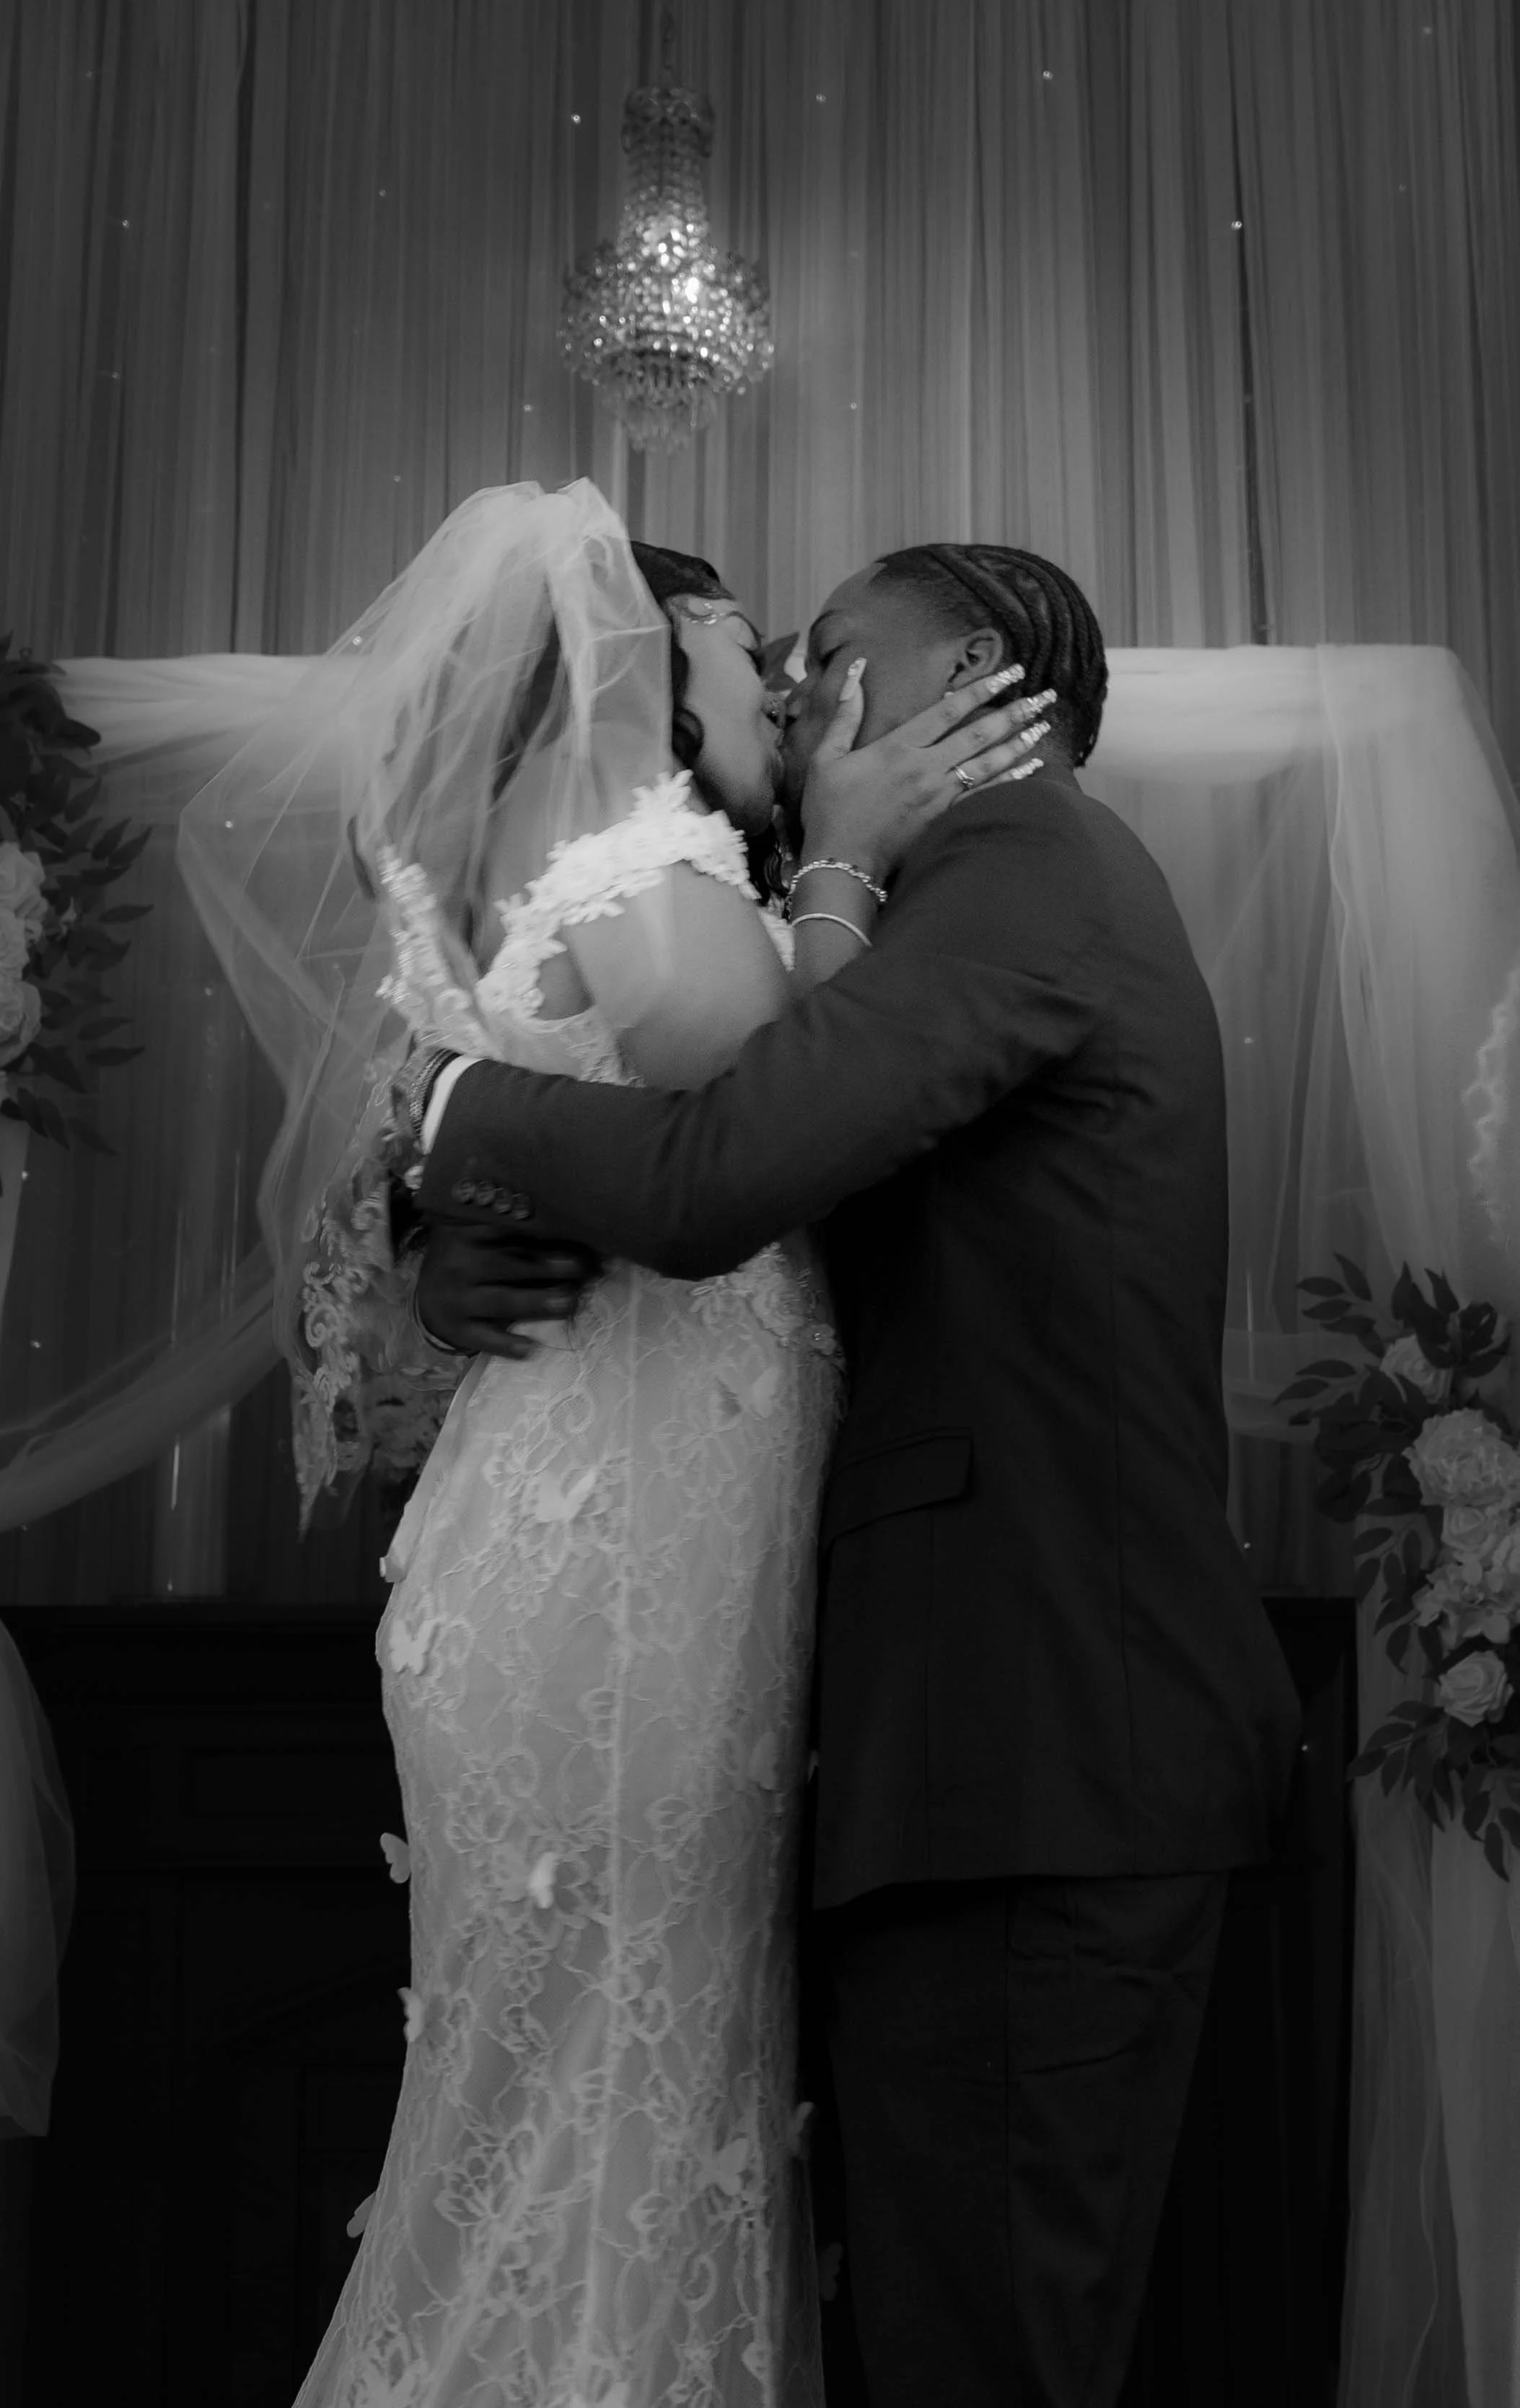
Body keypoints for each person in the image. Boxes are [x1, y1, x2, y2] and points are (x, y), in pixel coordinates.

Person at [410, 541, 1306, 2408]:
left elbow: (721, 1178)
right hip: (947, 1750)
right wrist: (441, 1239)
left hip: (1037, 1745)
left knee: (984, 2354)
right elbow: (745, 1126)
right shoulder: (908, 904)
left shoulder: (1027, 871)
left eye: (828, 664)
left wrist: (438, 1107)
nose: (800, 699)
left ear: (963, 680)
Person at [193, 484, 1042, 2408]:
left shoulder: (610, 867)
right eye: (752, 653)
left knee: (632, 2072)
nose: (793, 694)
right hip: (619, 1544)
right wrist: (843, 861)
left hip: (634, 1517)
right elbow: (756, 1107)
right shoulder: (646, 857)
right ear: (645, 667)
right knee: (603, 2073)